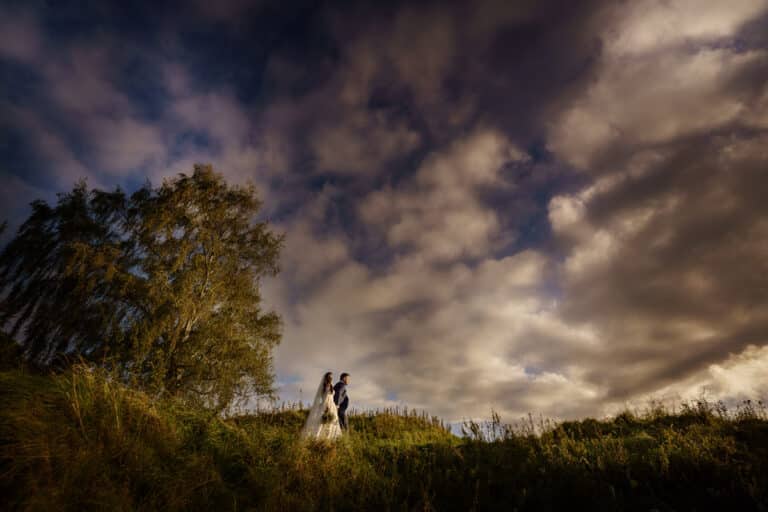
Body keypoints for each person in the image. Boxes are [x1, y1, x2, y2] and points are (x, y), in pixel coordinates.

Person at [300, 371, 343, 441]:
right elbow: (326, 398)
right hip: (327, 405)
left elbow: (331, 396)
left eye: (332, 377)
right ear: (327, 377)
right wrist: (327, 408)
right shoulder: (326, 386)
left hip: (332, 405)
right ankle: (320, 438)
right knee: (323, 422)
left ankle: (330, 438)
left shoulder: (330, 385)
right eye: (330, 377)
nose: (331, 378)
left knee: (332, 422)